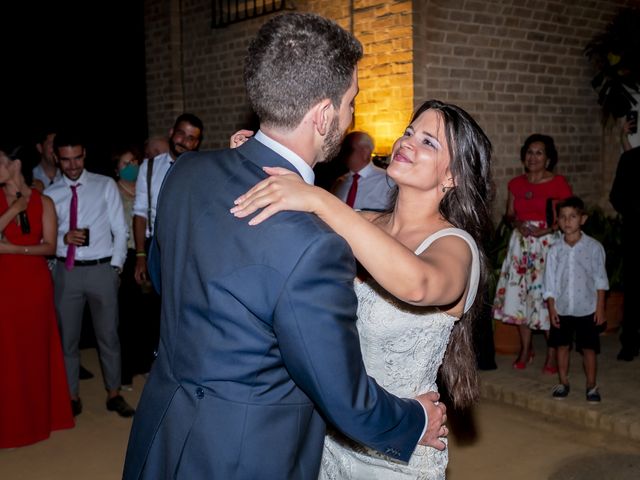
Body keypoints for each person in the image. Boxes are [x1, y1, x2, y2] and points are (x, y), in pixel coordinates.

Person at [124, 13, 446, 480]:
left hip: (162, 425)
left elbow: (163, 273)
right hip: (245, 453)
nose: (352, 114)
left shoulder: (186, 173)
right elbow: (342, 395)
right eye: (351, 101)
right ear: (322, 115)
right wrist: (413, 419)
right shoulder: (313, 244)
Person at [230, 98, 491, 478]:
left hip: (399, 449)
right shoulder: (363, 222)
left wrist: (319, 199)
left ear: (453, 176)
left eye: (428, 142)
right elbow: (287, 219)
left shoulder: (454, 246)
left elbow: (418, 284)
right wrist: (258, 157)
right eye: (409, 132)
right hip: (333, 435)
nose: (407, 142)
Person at [44, 132, 134, 418]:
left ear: (85, 155)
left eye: (77, 158)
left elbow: (120, 229)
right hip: (66, 272)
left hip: (100, 269)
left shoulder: (104, 184)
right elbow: (44, 238)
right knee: (67, 339)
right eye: (66, 160)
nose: (72, 166)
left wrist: (116, 267)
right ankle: (71, 396)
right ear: (57, 158)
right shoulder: (49, 194)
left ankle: (114, 393)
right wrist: (63, 239)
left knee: (108, 335)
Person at [0, 147, 74, 448]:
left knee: (33, 348)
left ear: (15, 164)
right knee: (7, 352)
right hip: (4, 284)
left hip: (33, 283)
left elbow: (50, 247)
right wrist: (13, 211)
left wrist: (11, 249)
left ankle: (41, 417)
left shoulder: (44, 201)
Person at [493, 134, 572, 372]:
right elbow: (509, 215)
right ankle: (526, 349)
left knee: (546, 299)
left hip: (547, 246)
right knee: (520, 298)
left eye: (539, 152)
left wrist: (545, 230)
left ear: (548, 158)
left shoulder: (558, 183)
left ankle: (551, 353)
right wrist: (517, 224)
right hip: (521, 247)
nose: (533, 157)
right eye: (529, 152)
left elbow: (568, 217)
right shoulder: (516, 184)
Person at [543, 197, 609, 402]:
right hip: (562, 309)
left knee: (588, 348)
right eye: (562, 217)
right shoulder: (554, 250)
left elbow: (600, 280)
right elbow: (550, 284)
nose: (567, 221)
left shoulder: (594, 248)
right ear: (558, 221)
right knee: (562, 346)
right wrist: (552, 309)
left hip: (587, 308)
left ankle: (591, 385)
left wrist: (600, 308)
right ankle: (563, 382)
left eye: (572, 216)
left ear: (583, 219)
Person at [112, 145, 146, 388]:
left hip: (145, 252)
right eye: (125, 163)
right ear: (117, 169)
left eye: (134, 161)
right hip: (124, 256)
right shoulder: (112, 191)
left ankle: (144, 365)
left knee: (146, 317)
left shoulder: (145, 189)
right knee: (126, 316)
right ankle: (124, 372)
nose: (131, 167)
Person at [610, 145, 640, 361]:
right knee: (634, 292)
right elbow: (616, 196)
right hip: (636, 236)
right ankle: (629, 343)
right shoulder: (630, 158)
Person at [331, 131, 394, 210]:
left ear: (365, 152)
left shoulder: (387, 181)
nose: (342, 153)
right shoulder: (340, 182)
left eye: (348, 149)